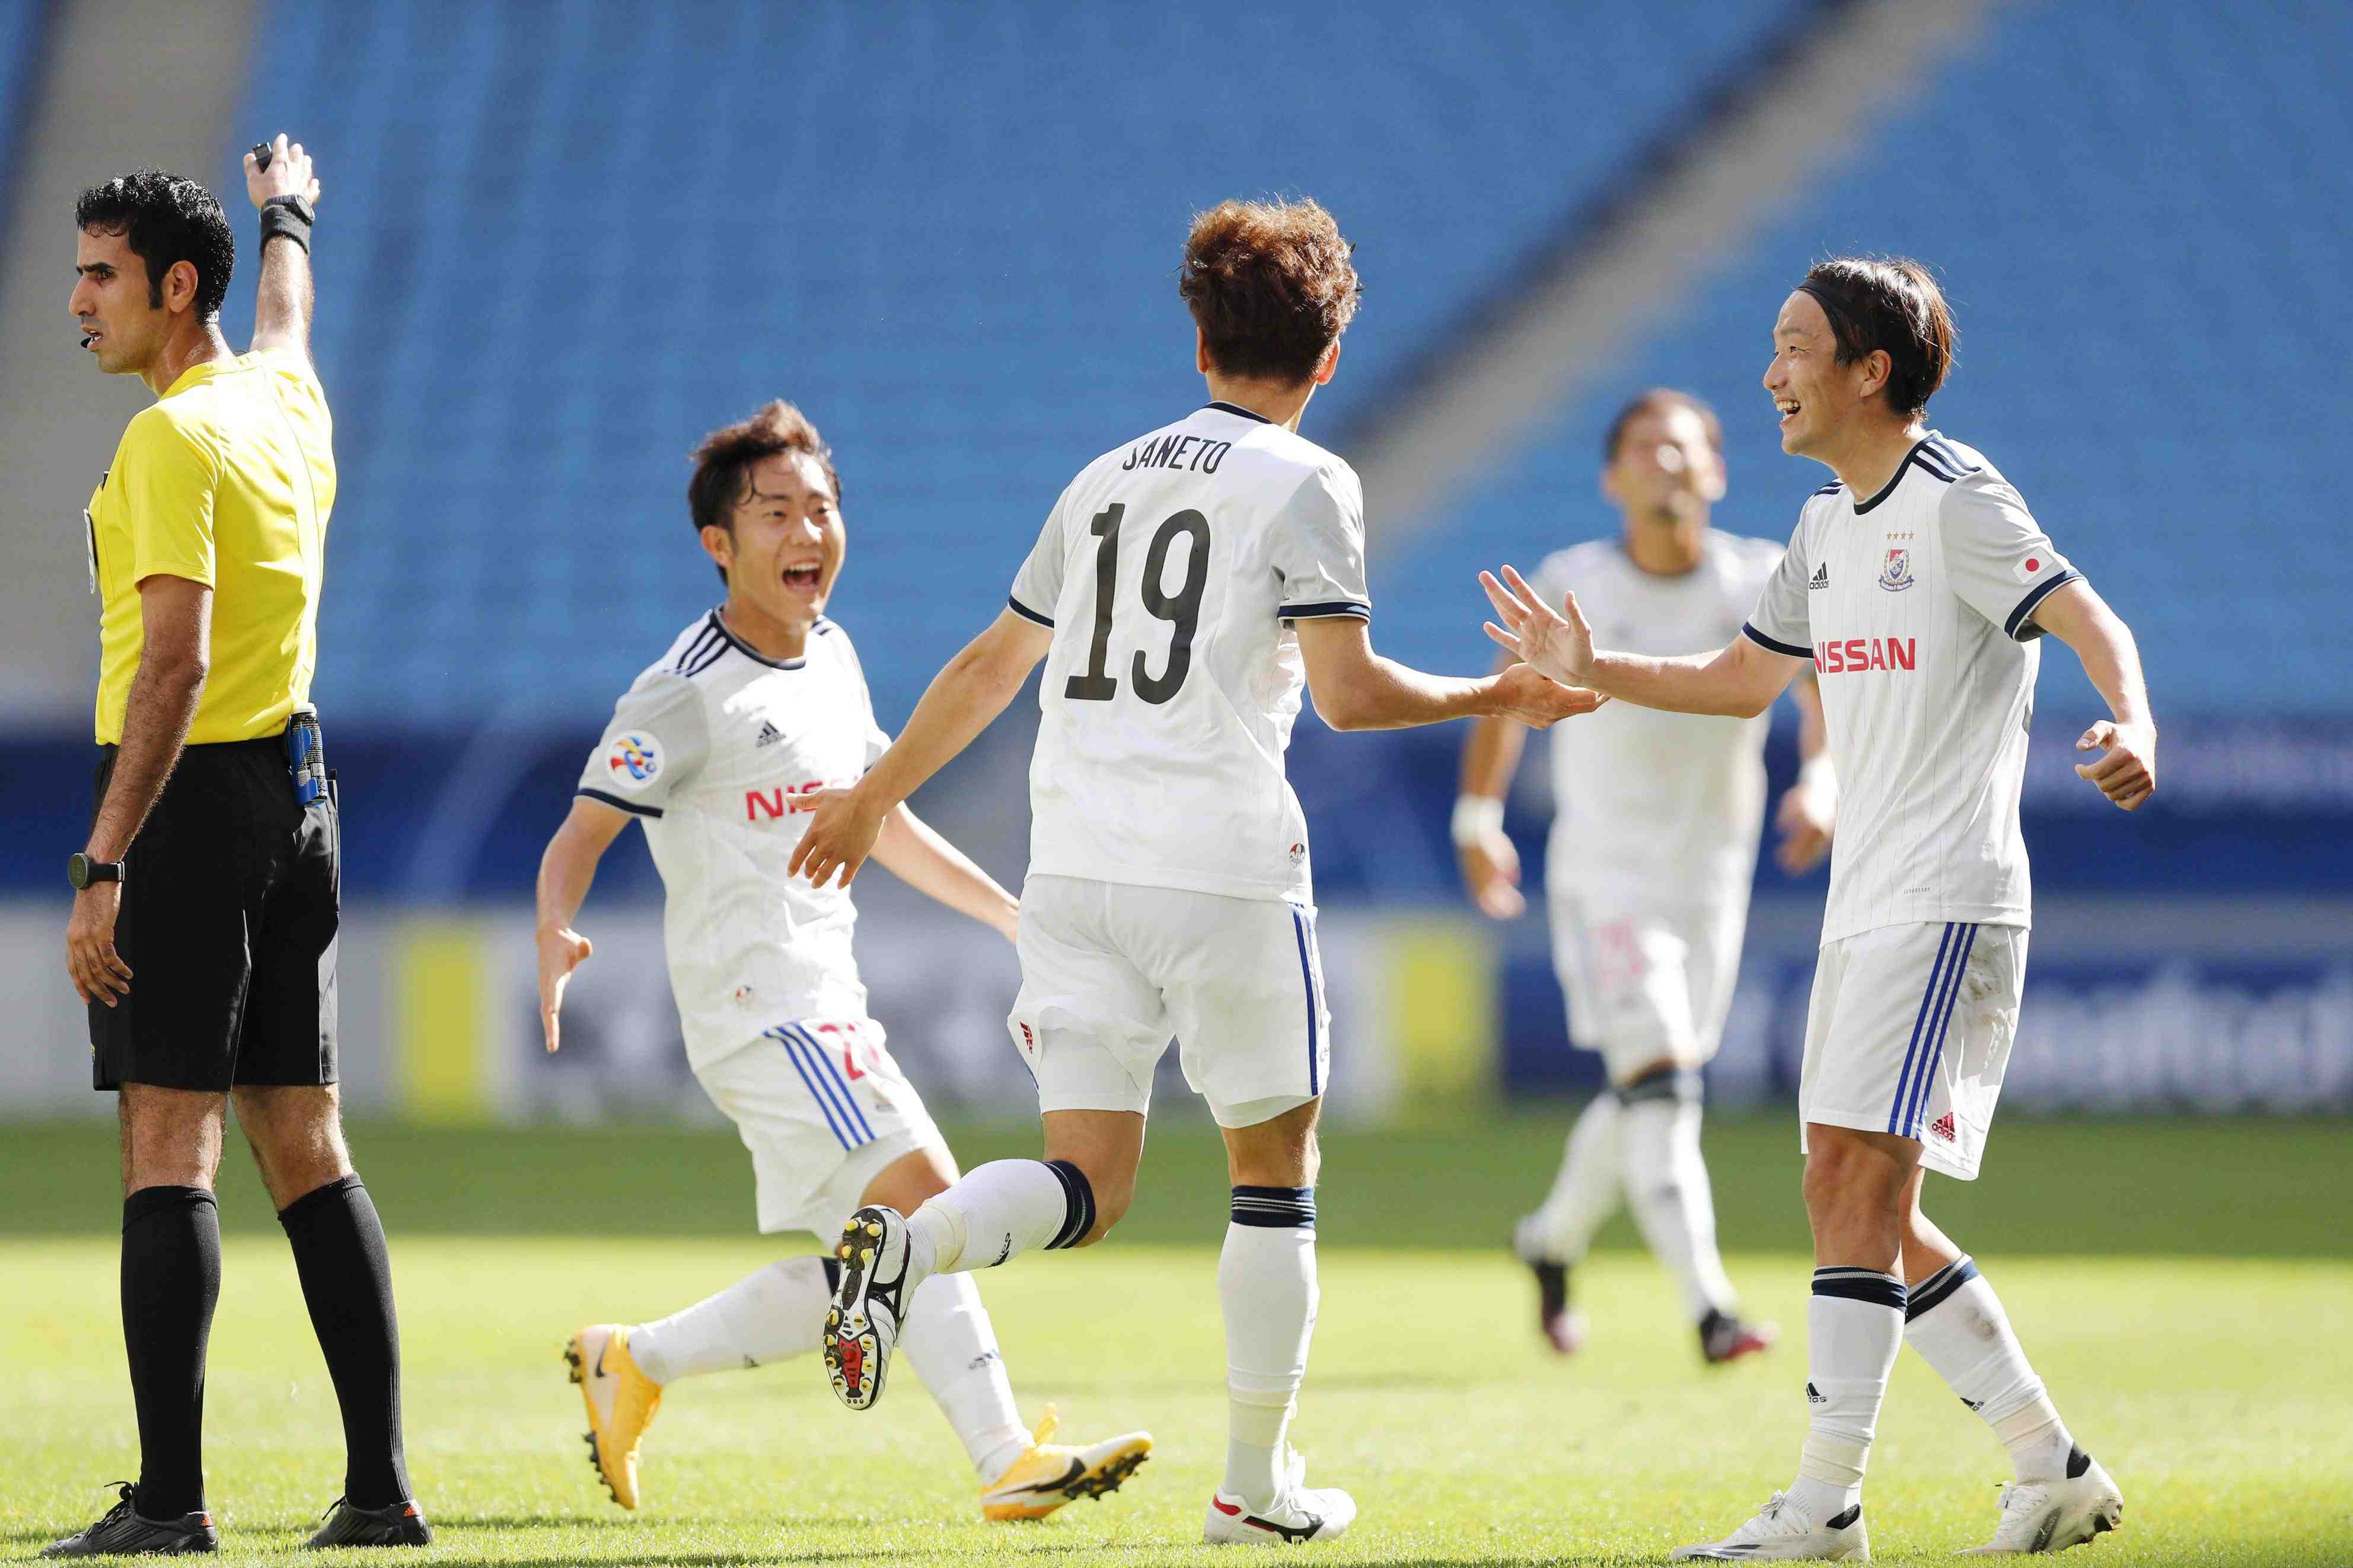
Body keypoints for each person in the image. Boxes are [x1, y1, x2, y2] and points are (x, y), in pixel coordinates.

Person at [787, 197, 1598, 1547]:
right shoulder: (1308, 481)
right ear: (1330, 357)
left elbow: (996, 663)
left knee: (1087, 1184)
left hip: (1075, 869)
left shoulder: (1101, 477)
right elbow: (1343, 697)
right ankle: (1255, 1490)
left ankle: (913, 1242)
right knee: (1273, 1172)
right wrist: (1494, 692)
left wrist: (876, 795)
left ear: (1199, 334)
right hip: (1219, 869)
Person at [1481, 256, 2147, 1560]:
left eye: (1793, 347)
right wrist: (1590, 666)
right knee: (1857, 1201)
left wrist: (2132, 717)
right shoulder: (1820, 526)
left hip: (1944, 895)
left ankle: (1824, 1507)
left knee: (1852, 1182)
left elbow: (2085, 614)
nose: (1769, 373)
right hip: (1869, 902)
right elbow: (1740, 681)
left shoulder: (1956, 501)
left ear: (1867, 370)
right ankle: (2045, 1465)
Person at [534, 400, 1151, 1522]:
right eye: (777, 512)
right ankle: (1006, 1457)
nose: (808, 532)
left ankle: (636, 1359)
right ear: (719, 543)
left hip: (826, 1005)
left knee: (880, 1262)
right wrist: (554, 924)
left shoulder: (836, 654)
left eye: (822, 507)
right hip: (764, 1013)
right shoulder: (684, 687)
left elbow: (883, 817)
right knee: (927, 1206)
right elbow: (580, 830)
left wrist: (1009, 916)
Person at [47, 141, 431, 1557]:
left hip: (190, 808)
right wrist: (294, 212)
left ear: (172, 284)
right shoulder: (282, 397)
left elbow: (173, 666)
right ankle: (380, 1493)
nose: (79, 300)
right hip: (302, 797)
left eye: (101, 276)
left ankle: (168, 1504)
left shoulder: (168, 439)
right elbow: (290, 311)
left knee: (167, 1145)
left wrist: (102, 864)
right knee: (304, 1140)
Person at [1455, 388, 1832, 1365]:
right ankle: (1710, 1308)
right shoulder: (1573, 581)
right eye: (1643, 447)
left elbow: (1820, 682)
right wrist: (1479, 813)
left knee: (1646, 1086)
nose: (1665, 460)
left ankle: (1548, 1239)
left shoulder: (1760, 578)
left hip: (1713, 872)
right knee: (1664, 1083)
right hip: (1607, 873)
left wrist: (1823, 778)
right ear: (1612, 477)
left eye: (1685, 446)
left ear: (1715, 471)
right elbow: (1510, 696)